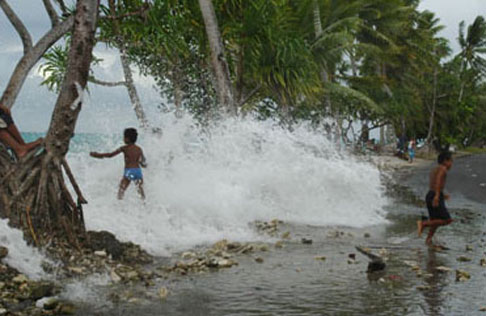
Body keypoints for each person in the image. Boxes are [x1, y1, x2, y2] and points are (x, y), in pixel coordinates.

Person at [90, 128, 147, 200]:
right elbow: (144, 163)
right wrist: (139, 162)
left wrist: (97, 155)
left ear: (127, 139)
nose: (123, 139)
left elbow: (110, 155)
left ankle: (119, 206)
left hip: (129, 171)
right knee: (141, 192)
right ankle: (145, 206)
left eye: (124, 137)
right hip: (138, 171)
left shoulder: (124, 148)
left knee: (121, 190)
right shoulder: (139, 149)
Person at [417, 152, 454, 248]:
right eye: (451, 161)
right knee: (447, 220)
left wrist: (442, 194)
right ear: (445, 161)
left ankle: (428, 239)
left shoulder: (435, 169)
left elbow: (434, 183)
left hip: (430, 194)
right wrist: (437, 195)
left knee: (435, 220)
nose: (451, 164)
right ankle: (423, 224)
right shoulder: (443, 169)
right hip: (434, 195)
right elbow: (438, 181)